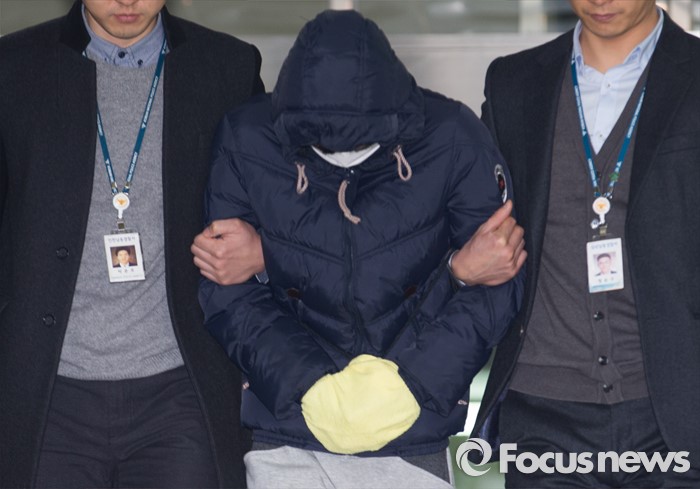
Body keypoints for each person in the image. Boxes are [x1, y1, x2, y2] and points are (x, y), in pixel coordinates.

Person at [198, 9, 524, 489]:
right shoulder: (247, 138)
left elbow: (500, 278)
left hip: (415, 434)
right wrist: (308, 387)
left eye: (360, 146)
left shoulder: (453, 136)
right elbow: (225, 287)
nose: (341, 156)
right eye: (321, 146)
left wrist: (411, 384)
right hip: (287, 430)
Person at [0, 0, 264, 487]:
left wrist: (262, 250)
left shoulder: (228, 66)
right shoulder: (13, 68)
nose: (127, 0)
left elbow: (284, 205)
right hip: (46, 394)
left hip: (183, 392)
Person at [471, 0, 700, 487]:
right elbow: (464, 218)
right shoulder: (513, 82)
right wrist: (461, 265)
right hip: (543, 415)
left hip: (679, 411)